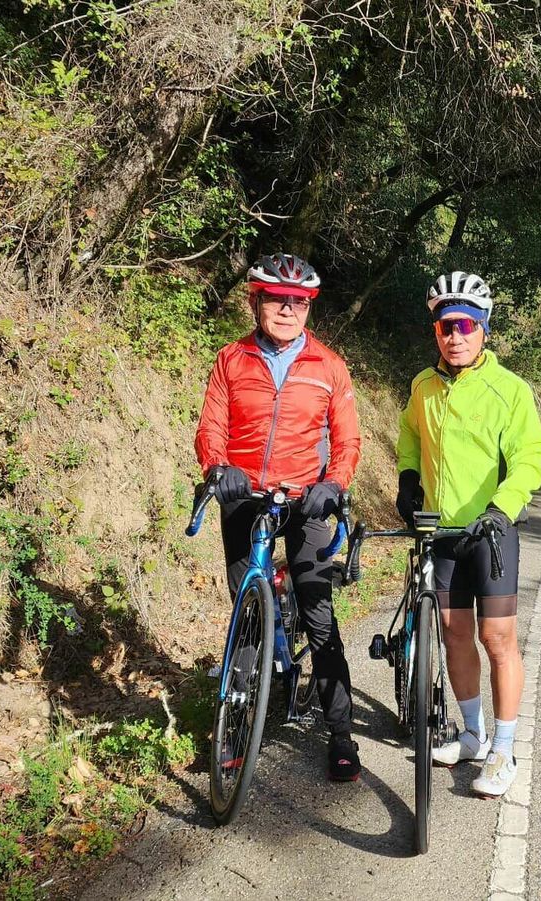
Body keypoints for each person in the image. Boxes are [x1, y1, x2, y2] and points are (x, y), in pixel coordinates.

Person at [194, 252, 364, 781]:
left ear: (309, 307)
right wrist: (218, 467)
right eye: (277, 299)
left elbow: (347, 439)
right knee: (246, 611)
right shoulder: (231, 359)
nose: (288, 309)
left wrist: (334, 484)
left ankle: (341, 733)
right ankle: (237, 727)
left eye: (299, 302)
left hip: (305, 499)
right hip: (245, 497)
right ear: (257, 301)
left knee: (318, 613)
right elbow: (211, 426)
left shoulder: (329, 366)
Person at [395, 270, 541, 798]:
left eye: (465, 325)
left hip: (491, 532)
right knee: (454, 633)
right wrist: (408, 478)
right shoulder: (423, 385)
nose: (455, 336)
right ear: (435, 331)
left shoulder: (509, 390)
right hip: (441, 532)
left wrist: (503, 507)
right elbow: (409, 434)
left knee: (497, 638)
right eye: (445, 326)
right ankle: (473, 734)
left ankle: (504, 749)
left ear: (483, 328)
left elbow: (529, 458)